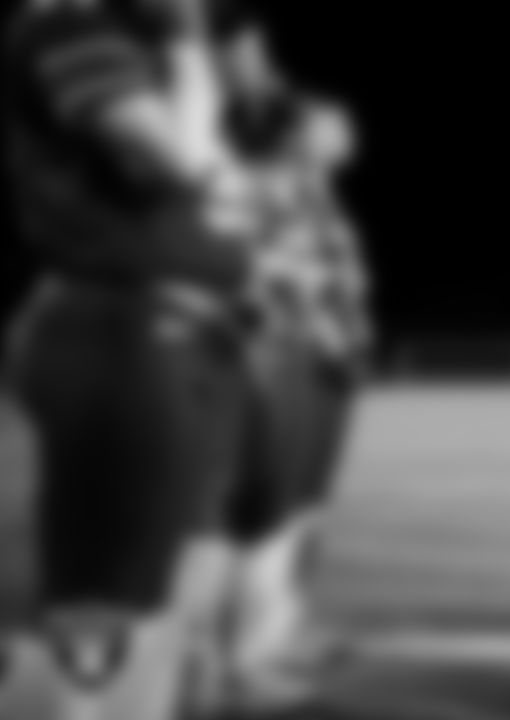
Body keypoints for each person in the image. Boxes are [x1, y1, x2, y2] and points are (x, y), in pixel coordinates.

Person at [0, 0, 300, 717]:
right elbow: (179, 159)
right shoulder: (69, 22)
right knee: (105, 614)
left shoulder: (137, 39)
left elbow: (221, 184)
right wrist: (190, 42)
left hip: (184, 335)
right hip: (123, 332)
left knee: (173, 594)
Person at [182, 17, 368, 713]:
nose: (254, 65)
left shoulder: (295, 131)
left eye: (260, 52)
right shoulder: (214, 141)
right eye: (238, 54)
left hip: (330, 338)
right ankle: (232, 655)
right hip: (271, 338)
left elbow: (337, 135)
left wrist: (346, 333)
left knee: (304, 501)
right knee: (255, 505)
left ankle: (279, 633)